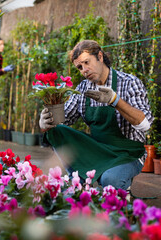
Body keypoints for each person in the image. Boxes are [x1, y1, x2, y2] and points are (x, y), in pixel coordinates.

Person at [39, 40, 153, 190]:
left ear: (100, 56)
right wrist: (45, 123)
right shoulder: (83, 89)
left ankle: (120, 184)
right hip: (98, 151)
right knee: (56, 130)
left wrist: (115, 100)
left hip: (128, 154)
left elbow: (145, 125)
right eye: (80, 67)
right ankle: (76, 181)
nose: (84, 70)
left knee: (110, 180)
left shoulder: (129, 83)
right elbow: (63, 119)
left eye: (87, 62)